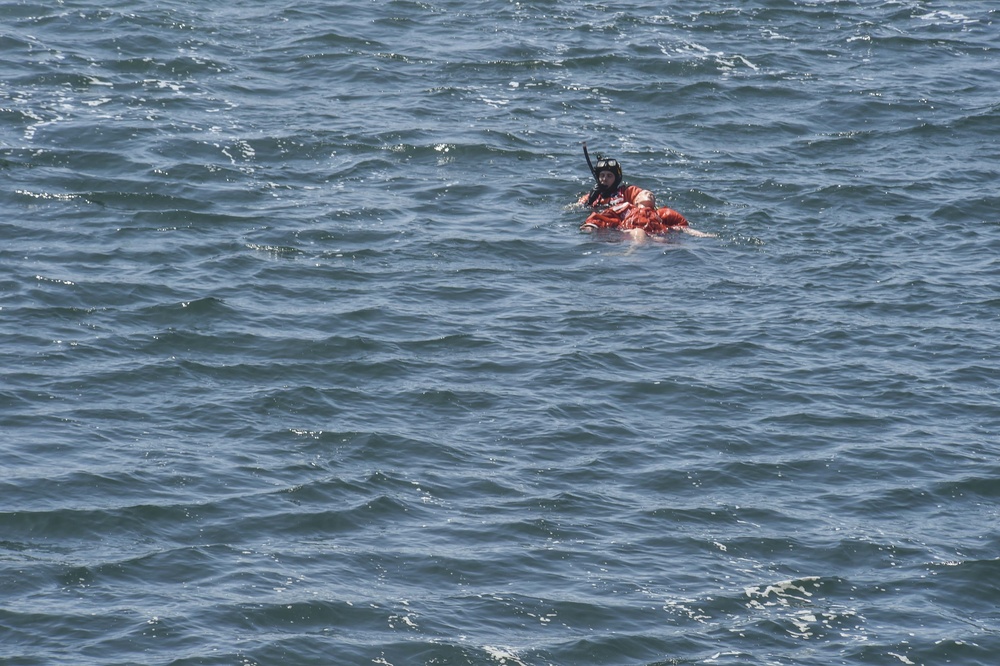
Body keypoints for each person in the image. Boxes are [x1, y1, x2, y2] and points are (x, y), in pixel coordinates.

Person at [578, 155, 713, 239]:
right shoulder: (592, 196)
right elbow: (573, 209)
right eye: (602, 176)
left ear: (616, 177)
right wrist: (590, 200)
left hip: (631, 225)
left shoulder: (628, 192)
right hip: (612, 227)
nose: (604, 179)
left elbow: (646, 199)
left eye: (609, 176)